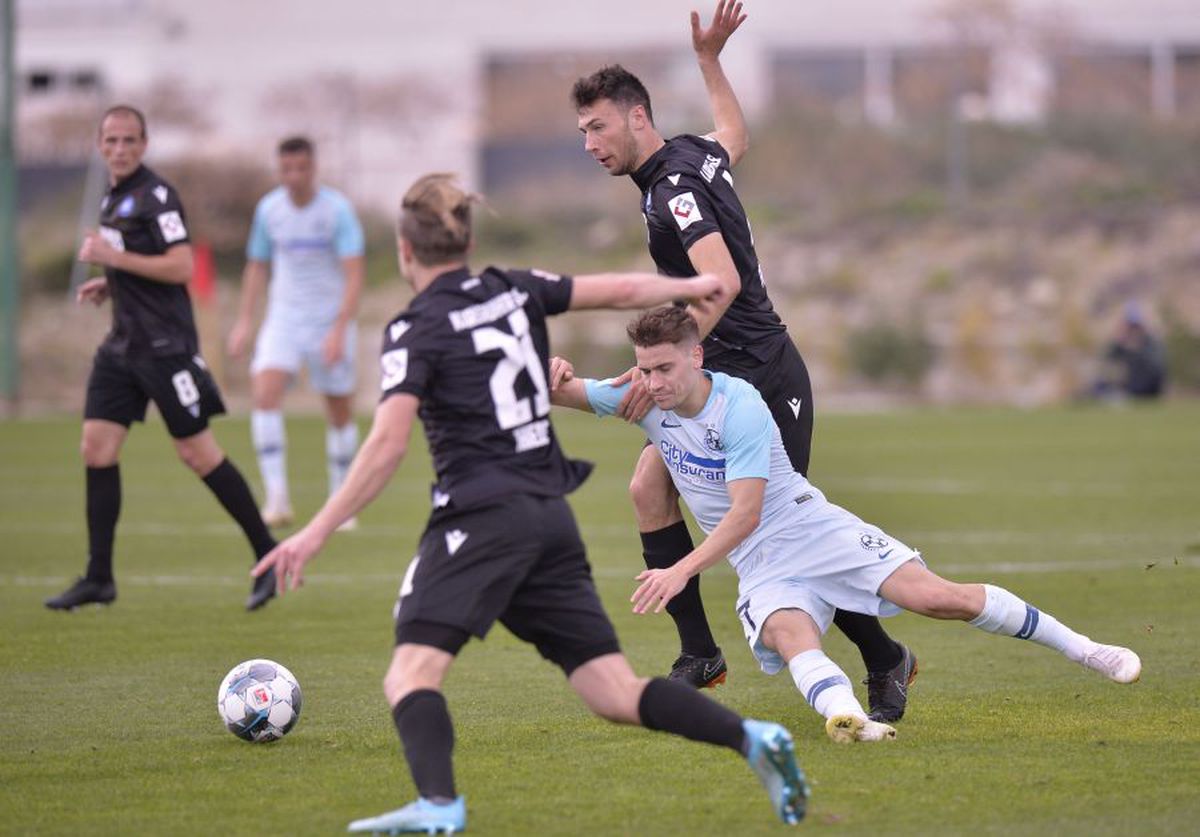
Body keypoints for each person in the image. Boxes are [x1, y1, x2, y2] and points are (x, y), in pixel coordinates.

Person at [251, 174, 809, 832]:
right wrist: (685, 288)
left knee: (409, 675)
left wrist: (312, 532)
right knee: (612, 692)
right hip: (549, 515)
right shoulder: (512, 287)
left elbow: (385, 445)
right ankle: (753, 737)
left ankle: (438, 805)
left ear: (406, 252)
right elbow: (617, 289)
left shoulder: (412, 329)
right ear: (468, 241)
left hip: (479, 516)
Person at [549, 306, 1142, 743]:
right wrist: (548, 371)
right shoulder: (643, 400)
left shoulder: (742, 407)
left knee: (939, 599)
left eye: (664, 368)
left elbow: (746, 514)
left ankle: (1089, 651)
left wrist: (680, 569)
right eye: (644, 369)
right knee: (789, 634)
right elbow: (558, 391)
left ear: (697, 356)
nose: (652, 383)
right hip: (762, 565)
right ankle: (850, 721)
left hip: (814, 531)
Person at [571, 1, 916, 721]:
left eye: (598, 126)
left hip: (758, 373)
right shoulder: (694, 152)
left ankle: (885, 656)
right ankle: (700, 649)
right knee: (647, 487)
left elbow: (720, 282)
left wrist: (658, 366)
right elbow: (737, 133)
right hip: (706, 375)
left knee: (773, 535)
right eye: (582, 131)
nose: (589, 143)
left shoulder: (673, 192)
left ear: (638, 118)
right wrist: (709, 60)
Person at [45, 105, 278, 613]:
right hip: (122, 346)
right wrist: (111, 284)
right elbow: (140, 264)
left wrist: (114, 261)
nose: (121, 149)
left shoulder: (157, 196)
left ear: (144, 144)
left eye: (130, 140)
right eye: (112, 140)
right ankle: (99, 577)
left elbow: (178, 266)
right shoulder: (114, 195)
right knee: (96, 448)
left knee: (198, 454)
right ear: (100, 145)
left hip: (164, 349)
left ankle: (269, 554)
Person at [227, 136, 366, 529]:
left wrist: (340, 329)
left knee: (339, 410)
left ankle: (343, 502)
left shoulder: (336, 210)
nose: (294, 177)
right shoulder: (269, 210)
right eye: (286, 169)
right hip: (284, 317)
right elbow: (256, 266)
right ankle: (277, 498)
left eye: (301, 168)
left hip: (329, 319)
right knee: (264, 393)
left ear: (313, 168)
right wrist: (244, 322)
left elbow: (355, 272)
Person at [1090, 304, 1167, 401]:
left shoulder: (1151, 343)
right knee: (1100, 383)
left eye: (1135, 326)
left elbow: (1156, 370)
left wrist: (1136, 350)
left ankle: (1120, 397)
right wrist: (1118, 341)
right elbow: (1106, 359)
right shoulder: (1121, 344)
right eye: (1130, 326)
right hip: (1128, 386)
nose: (1133, 330)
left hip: (1147, 388)